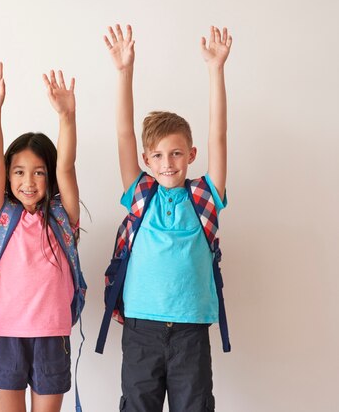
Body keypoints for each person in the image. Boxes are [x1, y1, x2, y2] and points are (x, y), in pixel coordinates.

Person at [103, 24, 232, 412]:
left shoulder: (204, 198)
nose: (167, 163)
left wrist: (216, 70)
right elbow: (125, 134)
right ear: (146, 160)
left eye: (175, 153)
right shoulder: (141, 195)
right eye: (157, 155)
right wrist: (125, 72)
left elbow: (219, 136)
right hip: (142, 329)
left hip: (191, 331)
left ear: (191, 154)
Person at [0, 61, 81, 412]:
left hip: (52, 336)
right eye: (19, 172)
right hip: (4, 334)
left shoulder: (63, 219)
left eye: (38, 172)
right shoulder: (1, 216)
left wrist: (67, 117)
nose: (29, 182)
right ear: (9, 177)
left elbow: (66, 165)